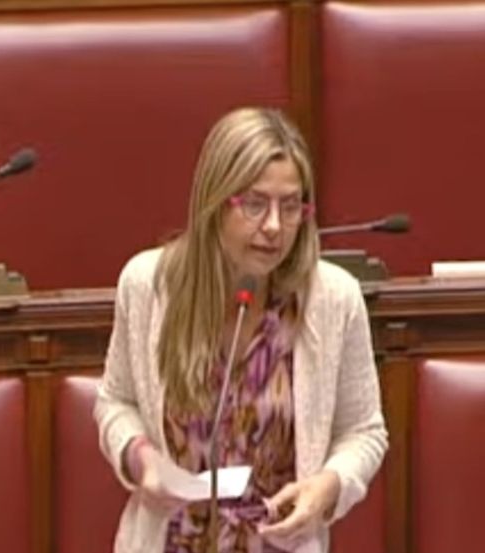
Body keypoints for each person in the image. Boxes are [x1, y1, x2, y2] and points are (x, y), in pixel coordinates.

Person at [94, 106, 388, 553]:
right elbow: (116, 401)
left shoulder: (333, 299)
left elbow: (364, 431)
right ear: (215, 202)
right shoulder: (147, 285)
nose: (273, 226)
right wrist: (140, 457)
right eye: (254, 204)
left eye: (290, 206)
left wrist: (329, 486)